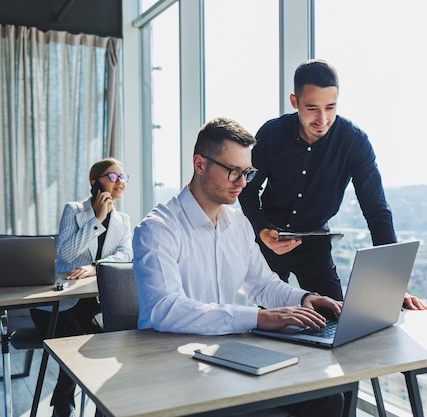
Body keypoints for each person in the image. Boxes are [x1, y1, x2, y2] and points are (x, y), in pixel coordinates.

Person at [133, 117, 345, 417]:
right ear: (200, 164)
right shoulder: (158, 229)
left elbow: (262, 284)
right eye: (234, 171)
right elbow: (164, 309)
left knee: (327, 398)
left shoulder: (238, 224)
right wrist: (258, 318)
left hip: (225, 358)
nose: (243, 183)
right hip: (174, 368)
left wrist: (304, 299)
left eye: (247, 172)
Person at [238, 59, 426, 310]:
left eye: (330, 107)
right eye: (312, 108)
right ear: (295, 102)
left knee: (337, 320)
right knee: (269, 324)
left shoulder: (354, 142)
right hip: (269, 241)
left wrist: (393, 286)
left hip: (315, 246)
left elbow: (376, 210)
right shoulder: (271, 134)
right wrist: (261, 230)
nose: (322, 119)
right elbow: (248, 190)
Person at [30, 158, 133, 417]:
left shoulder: (123, 220)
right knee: (80, 346)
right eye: (113, 176)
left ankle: (78, 404)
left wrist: (95, 266)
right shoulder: (74, 211)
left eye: (123, 177)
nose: (120, 181)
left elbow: (126, 255)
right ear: (94, 182)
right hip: (57, 304)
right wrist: (96, 219)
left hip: (92, 302)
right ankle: (64, 404)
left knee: (105, 346)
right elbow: (64, 253)